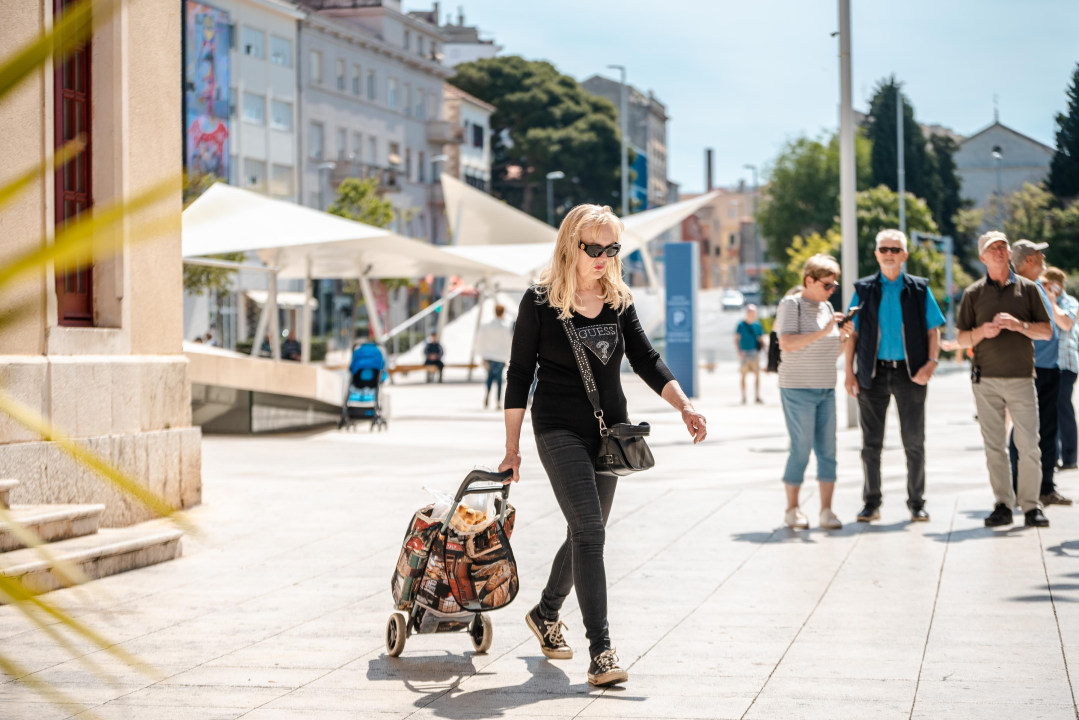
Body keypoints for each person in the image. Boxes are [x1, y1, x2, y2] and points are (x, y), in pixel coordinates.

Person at [501, 204, 707, 688]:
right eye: (595, 248)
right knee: (590, 531)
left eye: (612, 248)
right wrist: (512, 449)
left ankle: (546, 612)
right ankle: (602, 651)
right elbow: (517, 377)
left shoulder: (618, 300)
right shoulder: (538, 302)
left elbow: (647, 359)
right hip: (557, 428)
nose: (603, 257)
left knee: (585, 533)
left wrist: (685, 405)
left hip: (610, 433)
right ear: (571, 245)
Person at [844, 229, 944, 523]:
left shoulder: (918, 289)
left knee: (914, 442)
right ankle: (871, 503)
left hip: (910, 373)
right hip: (871, 375)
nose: (889, 254)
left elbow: (933, 330)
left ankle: (916, 503)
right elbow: (854, 333)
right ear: (876, 254)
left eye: (895, 249)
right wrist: (849, 372)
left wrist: (931, 364)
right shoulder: (863, 290)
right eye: (884, 249)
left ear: (904, 255)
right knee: (870, 445)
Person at [956, 232, 1053, 528]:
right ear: (982, 257)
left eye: (1002, 246)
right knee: (994, 446)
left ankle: (1031, 506)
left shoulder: (1029, 289)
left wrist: (1019, 325)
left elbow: (1047, 332)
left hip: (1022, 378)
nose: (998, 251)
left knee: (1029, 445)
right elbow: (960, 338)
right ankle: (1002, 504)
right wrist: (980, 333)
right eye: (991, 248)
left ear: (1010, 253)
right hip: (985, 381)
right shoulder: (972, 293)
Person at [775, 254, 849, 531]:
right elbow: (787, 343)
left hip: (825, 388)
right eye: (827, 285)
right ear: (809, 280)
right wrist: (826, 331)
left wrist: (842, 337)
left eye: (834, 286)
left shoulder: (827, 307)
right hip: (796, 388)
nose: (832, 290)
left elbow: (831, 353)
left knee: (828, 451)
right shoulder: (791, 304)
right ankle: (792, 510)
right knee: (801, 449)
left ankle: (826, 511)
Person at [1007, 241, 1071, 506]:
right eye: (1038, 253)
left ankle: (1046, 487)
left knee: (1048, 430)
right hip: (1028, 370)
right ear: (1029, 260)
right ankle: (1018, 489)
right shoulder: (1016, 289)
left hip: (1050, 369)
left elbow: (1062, 324)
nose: (1044, 256)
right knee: (1023, 431)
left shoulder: (1040, 287)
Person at [1044, 267, 1079, 470]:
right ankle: (1054, 455)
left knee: (1063, 408)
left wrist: (1052, 302)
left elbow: (1065, 324)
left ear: (1058, 285)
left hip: (1066, 364)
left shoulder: (1070, 302)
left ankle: (1070, 457)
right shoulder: (1046, 302)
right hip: (1049, 363)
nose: (1047, 288)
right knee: (1050, 410)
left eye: (1049, 284)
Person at [476, 304, 514, 409]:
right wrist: (510, 356)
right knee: (499, 379)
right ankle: (498, 401)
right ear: (503, 313)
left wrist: (482, 355)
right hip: (501, 356)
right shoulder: (505, 326)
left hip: (489, 355)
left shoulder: (487, 325)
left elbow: (480, 339)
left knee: (489, 377)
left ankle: (487, 393)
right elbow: (509, 342)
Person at [734, 304, 765, 404]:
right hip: (744, 353)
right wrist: (739, 351)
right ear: (747, 312)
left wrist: (766, 350)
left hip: (754, 353)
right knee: (743, 375)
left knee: (757, 375)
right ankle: (743, 397)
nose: (752, 314)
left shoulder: (757, 325)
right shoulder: (741, 325)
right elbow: (736, 339)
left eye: (754, 312)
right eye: (751, 312)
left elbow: (761, 339)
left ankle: (757, 396)